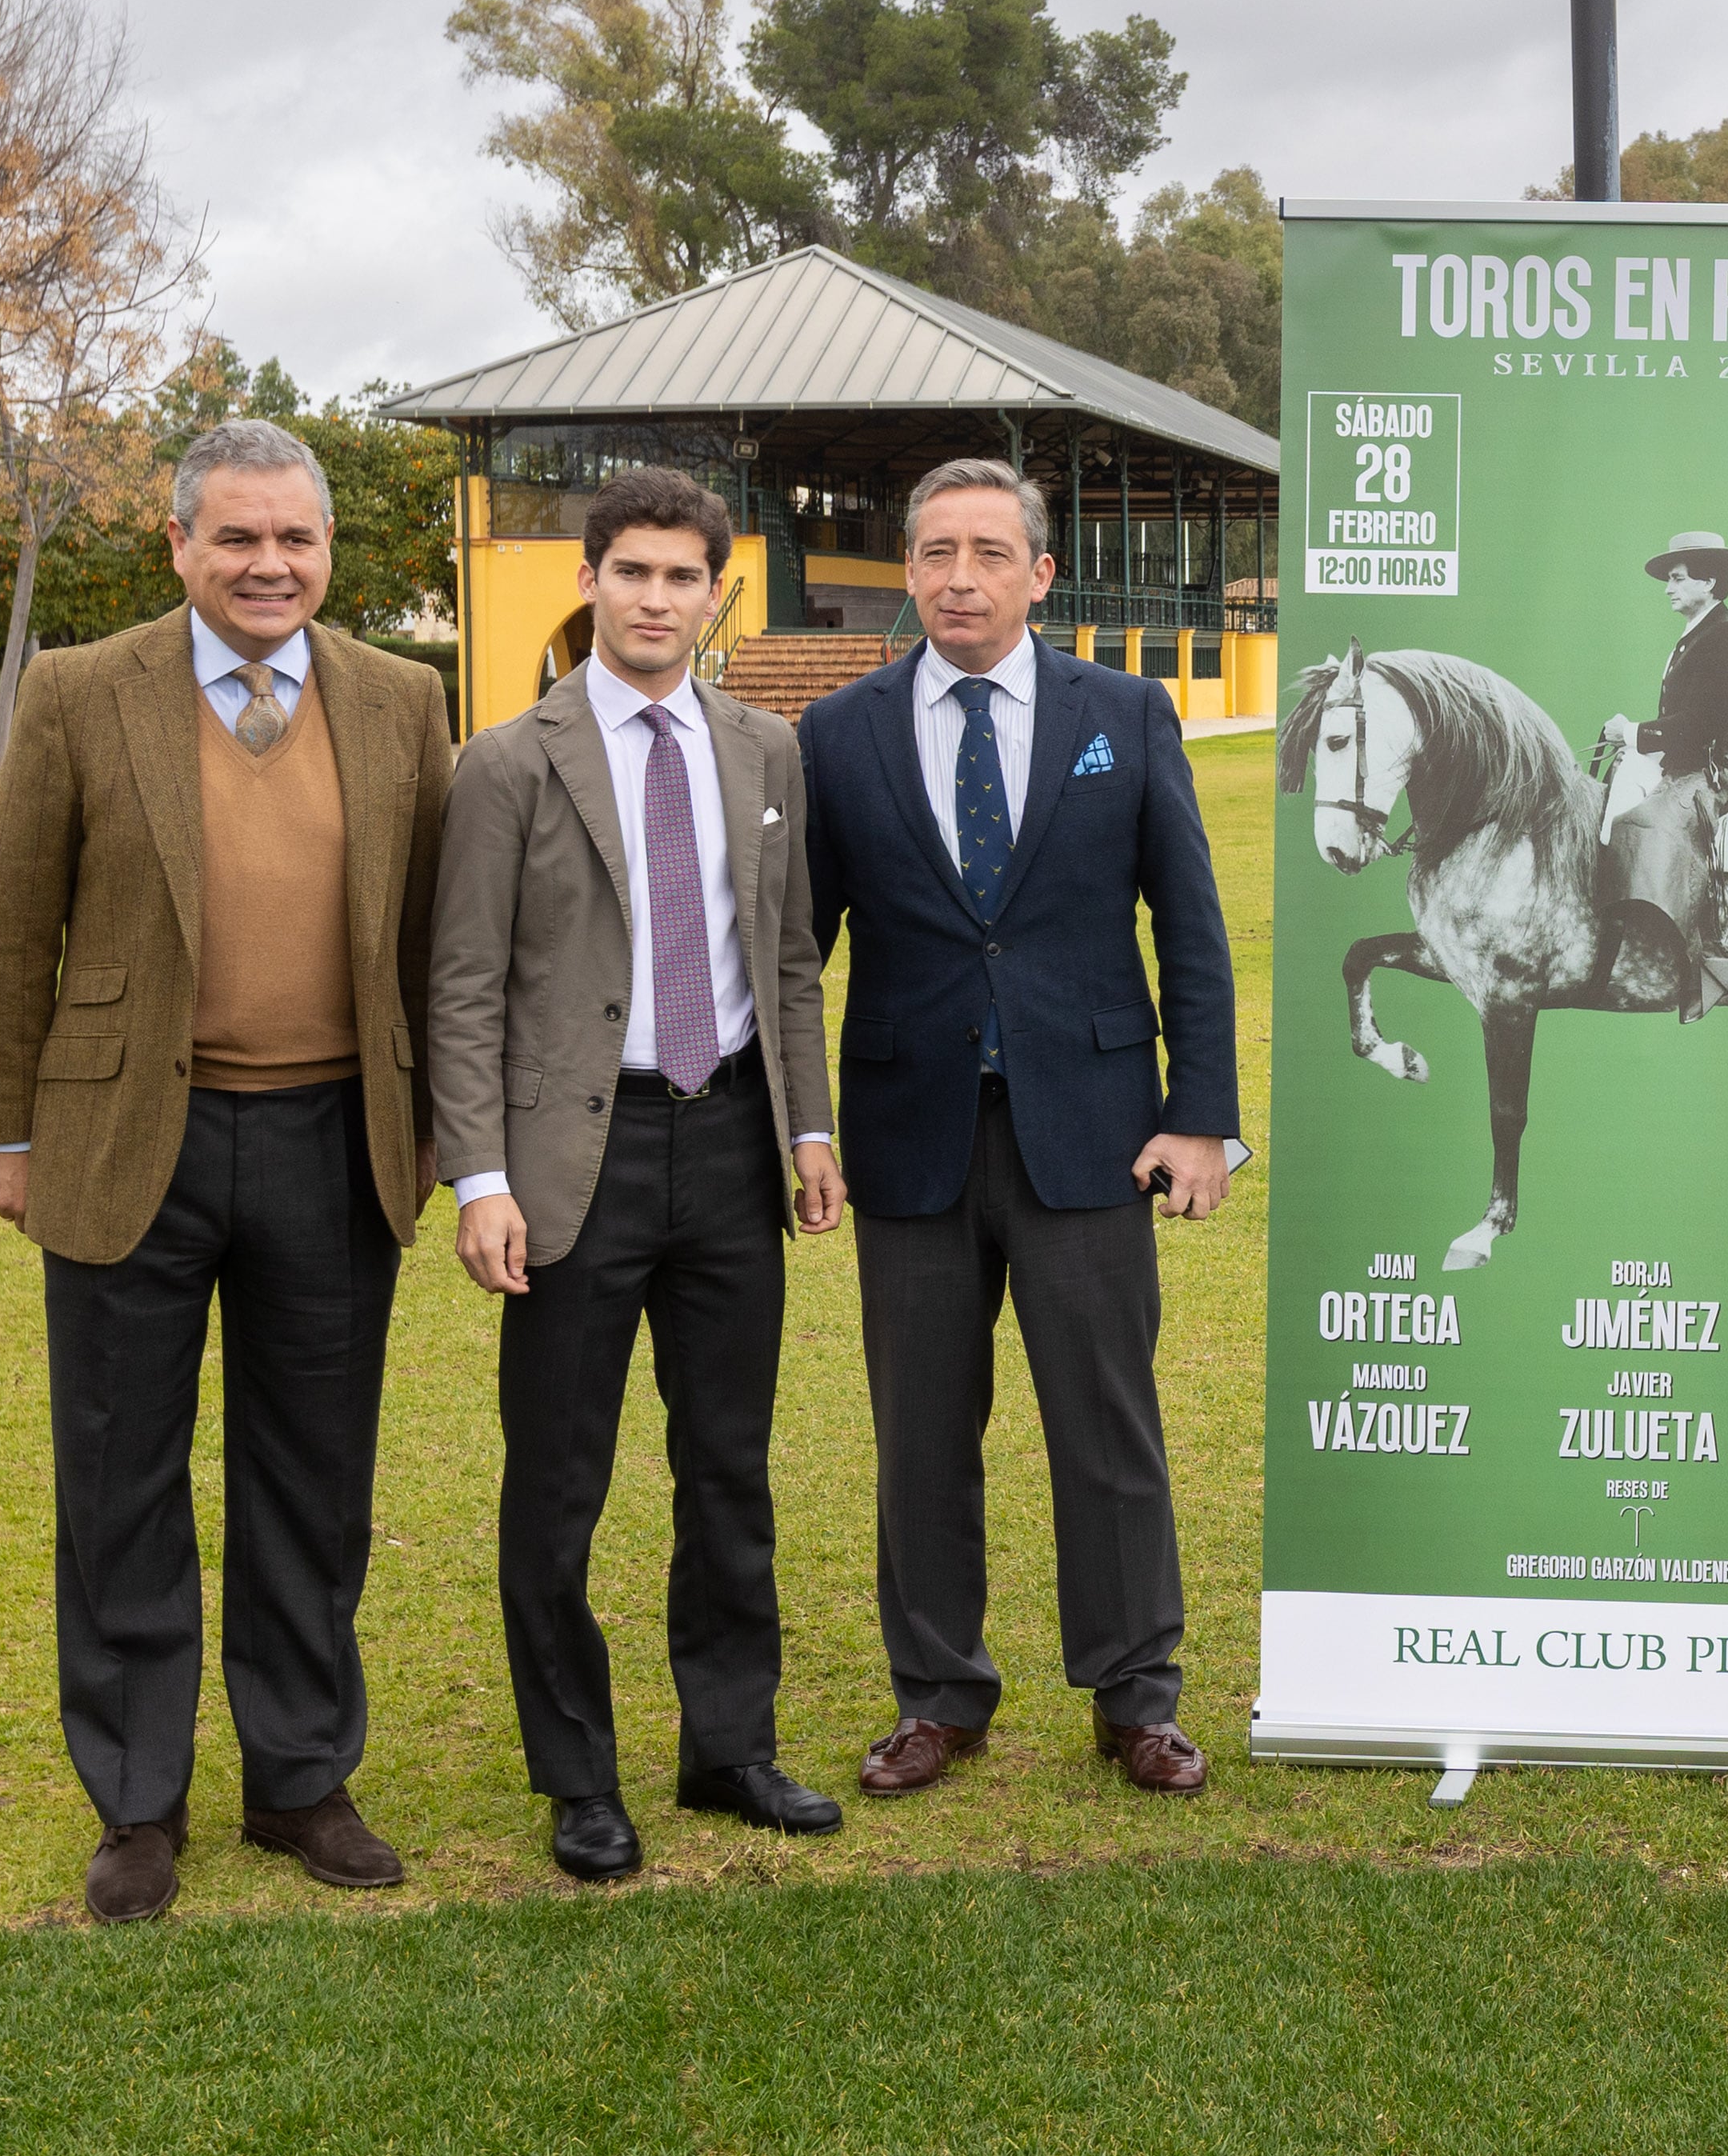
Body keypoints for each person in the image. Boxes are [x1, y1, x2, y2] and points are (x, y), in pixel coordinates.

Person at [0, 418, 451, 1924]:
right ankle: (137, 1797)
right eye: (236, 537)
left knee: (314, 1478)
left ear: (327, 550)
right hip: (125, 1145)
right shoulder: (79, 689)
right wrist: (7, 1130)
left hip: (332, 1138)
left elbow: (438, 932)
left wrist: (443, 1130)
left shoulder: (401, 697)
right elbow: (7, 918)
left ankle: (300, 1775)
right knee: (120, 1478)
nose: (268, 563)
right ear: (177, 545)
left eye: (295, 538)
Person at [795, 456, 1241, 1801]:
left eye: (989, 552)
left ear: (1040, 573)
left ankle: (1134, 1695)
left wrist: (1202, 1116)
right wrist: (797, 1126)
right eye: (934, 552)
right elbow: (791, 946)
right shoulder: (841, 730)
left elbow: (1190, 921)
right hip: (907, 1133)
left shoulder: (1125, 711)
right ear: (907, 569)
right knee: (920, 1426)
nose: (958, 577)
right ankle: (937, 1693)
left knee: (1107, 1422)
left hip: (1093, 1131)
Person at [429, 467, 850, 1882]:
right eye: (632, 572)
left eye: (683, 576)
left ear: (717, 595)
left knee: (727, 1466)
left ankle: (728, 1744)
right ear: (591, 581)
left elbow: (786, 958)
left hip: (731, 1144)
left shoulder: (765, 749)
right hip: (571, 1159)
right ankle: (577, 1776)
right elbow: (464, 984)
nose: (657, 597)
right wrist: (479, 1175)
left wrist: (807, 1129)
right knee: (558, 1480)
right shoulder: (504, 761)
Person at [1598, 530, 1728, 1023]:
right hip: (1686, 762)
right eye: (1669, 580)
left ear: (1710, 581)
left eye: (1678, 579)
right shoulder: (1698, 634)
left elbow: (1695, 727)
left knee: (1638, 826)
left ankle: (1700, 961)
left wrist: (1630, 732)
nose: (1668, 588)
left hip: (1714, 772)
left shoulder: (1725, 636)